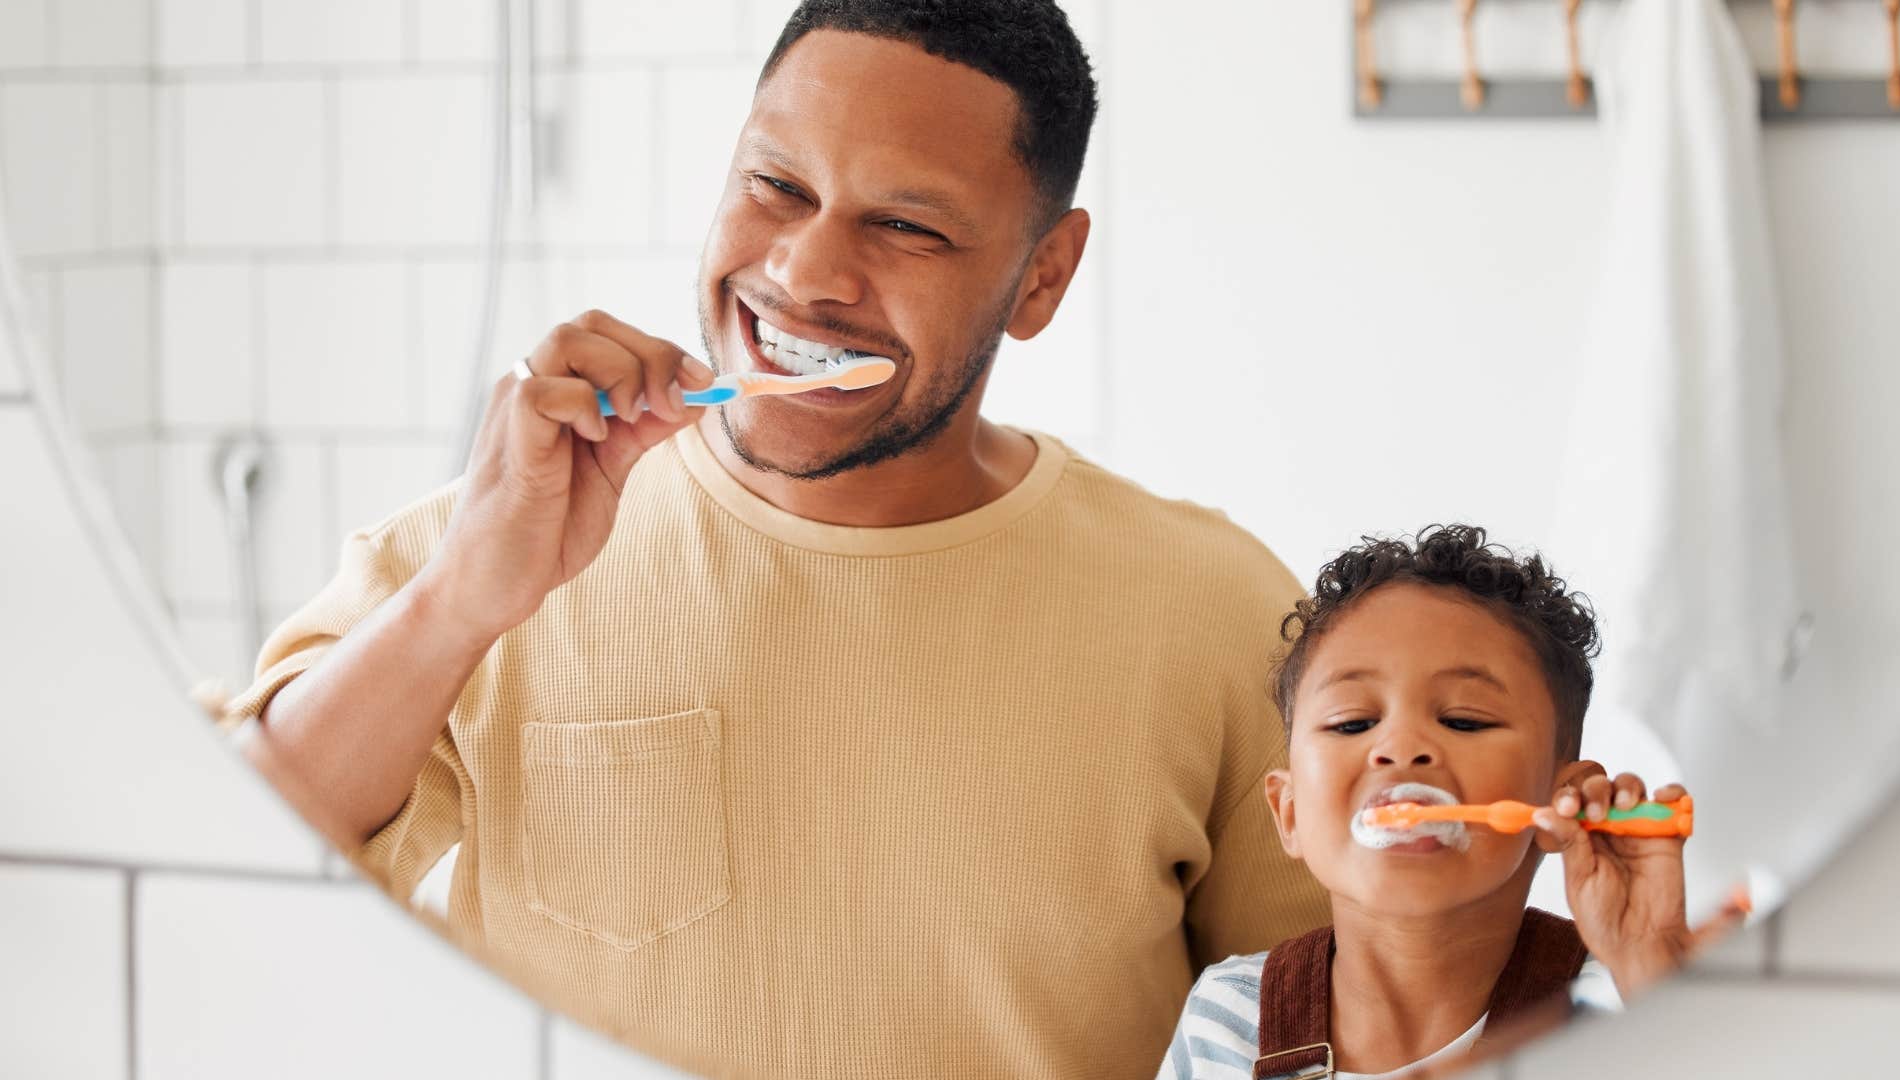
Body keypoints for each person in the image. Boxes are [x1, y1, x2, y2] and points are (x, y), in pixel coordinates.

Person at [224, 2, 1334, 1075]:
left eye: (905, 225)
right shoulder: (483, 552)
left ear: (1041, 275)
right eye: (776, 185)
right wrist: (462, 599)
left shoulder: (1213, 611)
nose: (804, 273)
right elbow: (230, 868)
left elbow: (1332, 1022)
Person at [1156, 526, 1722, 1080]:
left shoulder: (1626, 1008)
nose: (1400, 748)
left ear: (1562, 800)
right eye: (1352, 722)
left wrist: (1653, 969)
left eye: (1463, 720)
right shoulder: (1228, 1023)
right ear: (1291, 813)